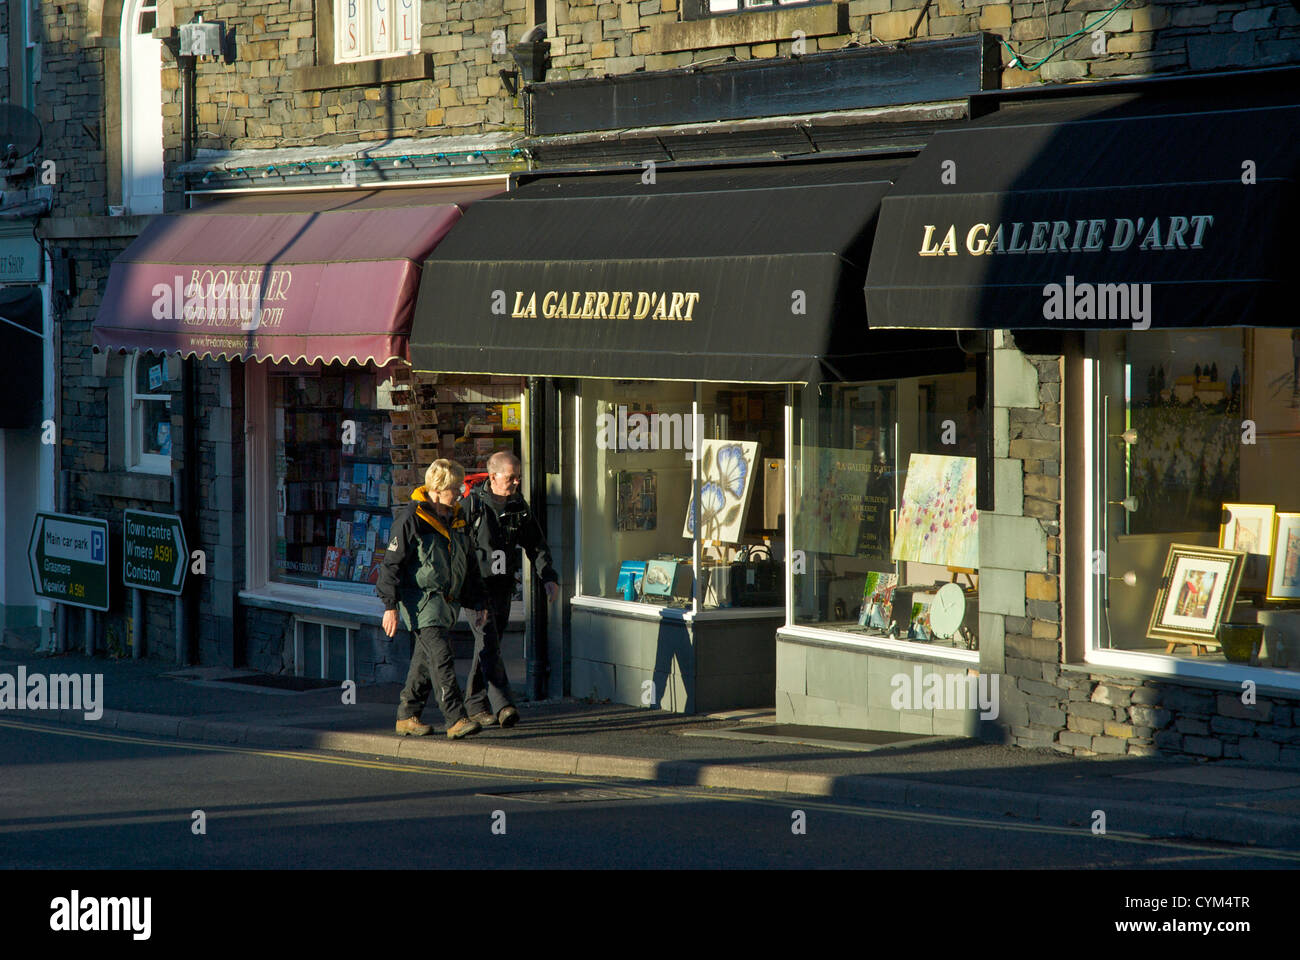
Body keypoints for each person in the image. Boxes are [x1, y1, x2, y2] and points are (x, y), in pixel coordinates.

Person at [377, 458, 490, 740]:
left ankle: (407, 715)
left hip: (446, 602)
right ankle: (456, 718)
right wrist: (389, 607)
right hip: (420, 602)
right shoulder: (410, 520)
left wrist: (479, 602)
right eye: (455, 488)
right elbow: (391, 565)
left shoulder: (458, 518)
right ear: (437, 489)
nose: (461, 493)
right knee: (442, 658)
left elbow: (470, 563)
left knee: (424, 661)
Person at [461, 451, 560, 729]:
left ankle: (474, 704)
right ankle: (503, 704)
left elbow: (536, 544)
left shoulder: (518, 505)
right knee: (489, 643)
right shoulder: (472, 506)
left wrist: (548, 576)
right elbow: (456, 548)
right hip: (476, 589)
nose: (516, 482)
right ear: (493, 476)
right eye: (511, 477)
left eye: (519, 477)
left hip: (503, 588)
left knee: (488, 646)